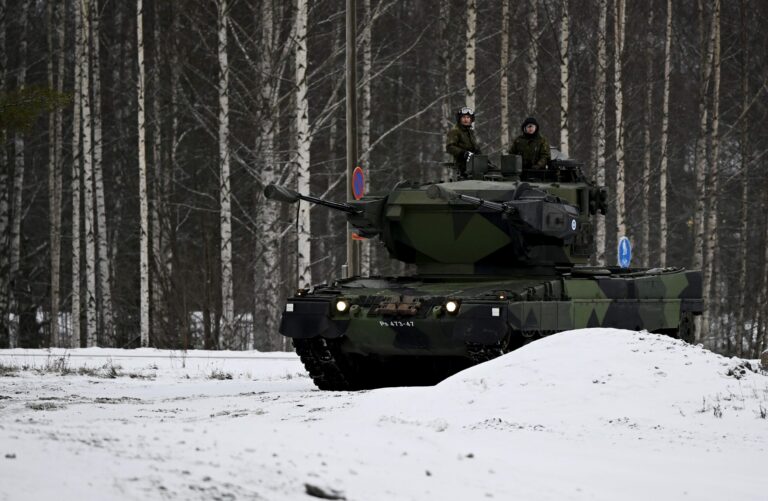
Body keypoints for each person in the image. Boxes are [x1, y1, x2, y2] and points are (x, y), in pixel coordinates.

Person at [446, 107, 481, 176]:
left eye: (468, 117)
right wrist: (463, 153)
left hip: (474, 163)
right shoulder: (455, 131)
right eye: (463, 117)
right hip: (461, 164)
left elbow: (475, 148)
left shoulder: (471, 132)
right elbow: (450, 147)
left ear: (471, 119)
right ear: (459, 119)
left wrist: (480, 155)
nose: (466, 119)